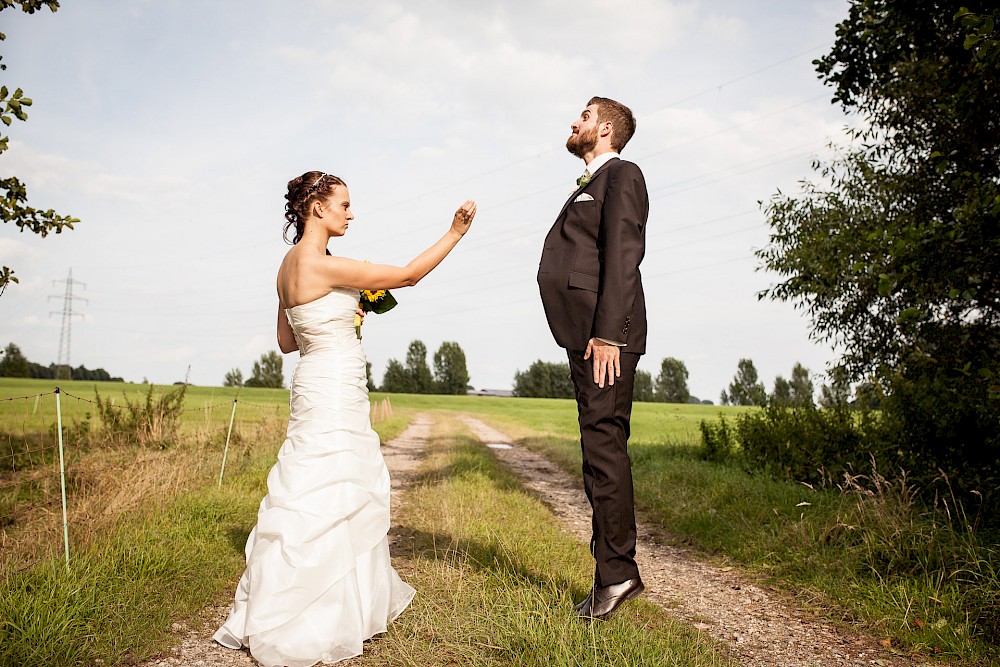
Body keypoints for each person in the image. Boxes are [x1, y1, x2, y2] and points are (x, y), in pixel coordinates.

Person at [214, 170, 476, 666]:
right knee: (336, 483)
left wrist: (340, 316)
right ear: (317, 207)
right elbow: (407, 276)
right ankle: (320, 614)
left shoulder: (287, 266)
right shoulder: (324, 265)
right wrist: (455, 233)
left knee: (306, 484)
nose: (350, 213)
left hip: (311, 381)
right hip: (335, 384)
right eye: (344, 205)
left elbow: (287, 342)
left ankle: (303, 601)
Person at [537, 97, 648, 620]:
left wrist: (608, 336)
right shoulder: (590, 182)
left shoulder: (622, 176)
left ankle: (618, 573)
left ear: (604, 128)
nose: (573, 122)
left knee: (603, 451)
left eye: (582, 116)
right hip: (585, 337)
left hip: (605, 342)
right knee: (597, 449)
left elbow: (624, 257)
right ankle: (613, 571)